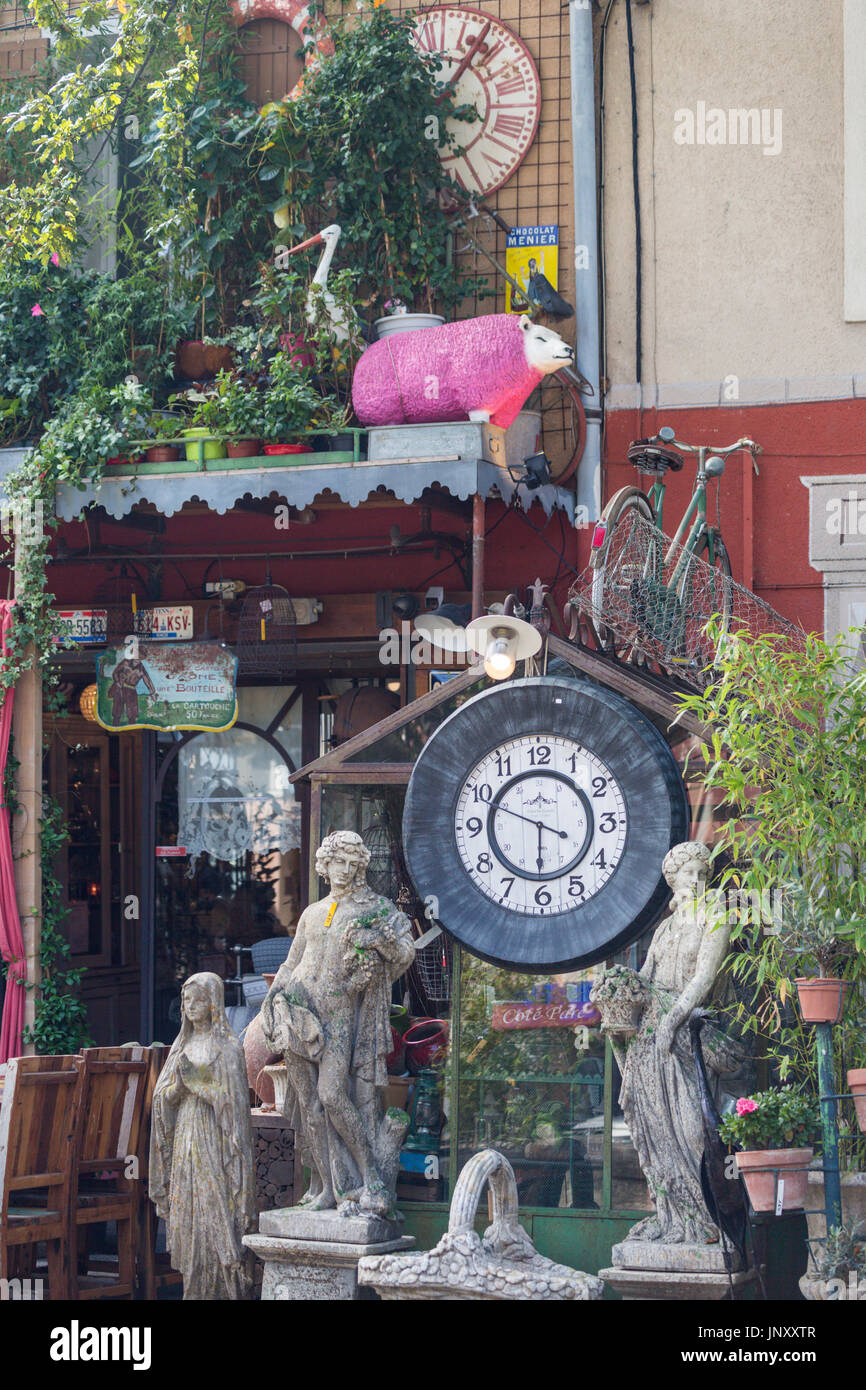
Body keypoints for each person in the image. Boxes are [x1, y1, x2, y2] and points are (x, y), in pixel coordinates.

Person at [260, 830, 415, 1218]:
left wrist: (374, 942)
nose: (344, 870)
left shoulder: (375, 910)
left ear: (361, 867)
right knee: (310, 1107)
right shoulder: (313, 913)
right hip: (298, 1010)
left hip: (339, 1013)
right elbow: (291, 962)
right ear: (324, 866)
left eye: (351, 863)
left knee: (332, 1095)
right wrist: (271, 1001)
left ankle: (370, 1177)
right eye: (337, 862)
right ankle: (328, 1187)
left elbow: (404, 952)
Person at [596, 841, 744, 1245]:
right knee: (652, 1126)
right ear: (673, 880)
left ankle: (708, 1221)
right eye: (688, 874)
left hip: (689, 1036)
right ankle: (672, 1217)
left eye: (701, 874)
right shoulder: (663, 929)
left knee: (695, 1130)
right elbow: (646, 978)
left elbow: (705, 977)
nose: (695, 881)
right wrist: (616, 989)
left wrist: (673, 1021)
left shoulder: (716, 915)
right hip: (652, 1040)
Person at [149, 972, 256, 1298]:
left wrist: (204, 1087)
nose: (189, 1006)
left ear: (213, 1003)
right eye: (185, 1000)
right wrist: (179, 1088)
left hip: (216, 1142)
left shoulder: (228, 1048)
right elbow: (160, 1100)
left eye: (196, 999)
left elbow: (237, 1104)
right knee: (188, 1219)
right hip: (185, 1138)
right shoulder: (182, 1046)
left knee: (217, 1216)